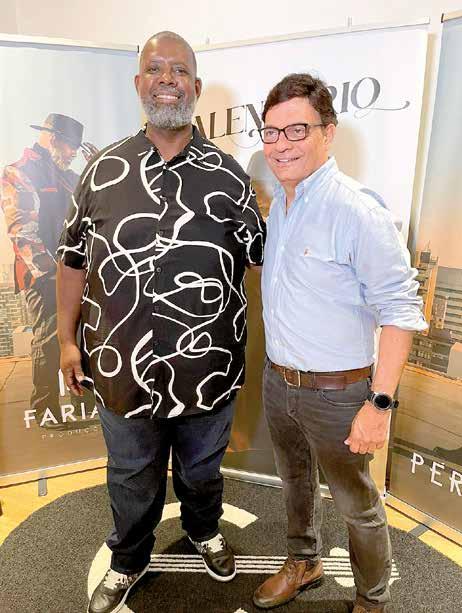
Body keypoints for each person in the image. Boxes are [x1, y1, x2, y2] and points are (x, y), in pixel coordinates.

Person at [56, 31, 266, 613]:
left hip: (208, 366)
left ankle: (204, 530)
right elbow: (71, 261)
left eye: (179, 70)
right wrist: (67, 342)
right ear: (138, 83)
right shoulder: (102, 170)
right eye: (155, 69)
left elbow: (263, 260)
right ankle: (128, 558)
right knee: (130, 476)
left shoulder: (229, 177)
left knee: (202, 472)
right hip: (120, 366)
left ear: (196, 86)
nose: (167, 79)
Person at [253, 73, 427, 613]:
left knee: (358, 506)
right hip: (279, 382)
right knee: (295, 484)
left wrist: (379, 405)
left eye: (297, 130)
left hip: (339, 393)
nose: (281, 145)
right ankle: (304, 562)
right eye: (271, 132)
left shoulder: (357, 210)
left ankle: (371, 601)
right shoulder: (280, 208)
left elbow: (400, 311)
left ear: (328, 133)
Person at [1, 114, 97, 427]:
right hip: (44, 275)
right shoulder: (20, 171)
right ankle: (45, 411)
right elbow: (22, 231)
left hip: (75, 273)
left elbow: (92, 210)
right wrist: (53, 274)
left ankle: (83, 406)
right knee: (48, 338)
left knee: (80, 337)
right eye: (71, 147)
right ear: (54, 139)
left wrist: (97, 169)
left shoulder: (69, 176)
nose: (73, 153)